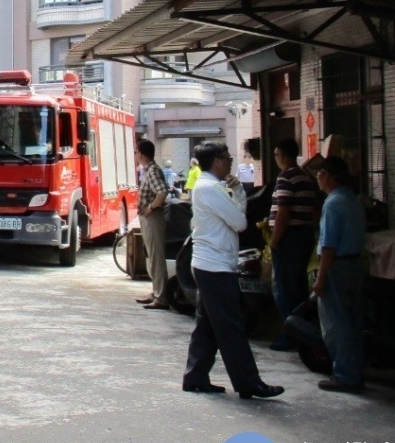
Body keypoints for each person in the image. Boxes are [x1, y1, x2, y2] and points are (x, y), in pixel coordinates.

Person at [182, 142, 284, 400]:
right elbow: (239, 223)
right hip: (214, 267)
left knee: (207, 325)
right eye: (227, 158)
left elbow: (237, 217)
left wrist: (237, 191)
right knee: (231, 326)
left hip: (211, 264)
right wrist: (236, 195)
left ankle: (195, 377)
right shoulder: (209, 188)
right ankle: (248, 382)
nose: (230, 162)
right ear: (216, 161)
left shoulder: (211, 187)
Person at [313, 155, 366, 393]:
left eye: (320, 172)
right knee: (353, 321)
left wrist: (320, 278)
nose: (317, 177)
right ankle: (354, 371)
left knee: (337, 324)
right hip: (354, 265)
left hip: (338, 266)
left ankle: (345, 374)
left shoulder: (332, 203)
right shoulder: (352, 200)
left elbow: (328, 246)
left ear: (328, 175)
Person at [266, 138, 319, 351]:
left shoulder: (286, 177)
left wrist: (275, 241)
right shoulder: (306, 177)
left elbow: (283, 213)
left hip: (289, 238)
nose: (276, 159)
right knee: (298, 287)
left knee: (285, 288)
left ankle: (291, 335)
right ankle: (301, 332)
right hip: (304, 235)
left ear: (283, 156)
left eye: (277, 155)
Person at [134, 139, 170, 310]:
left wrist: (150, 207)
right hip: (148, 218)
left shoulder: (153, 171)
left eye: (136, 152)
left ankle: (161, 297)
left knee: (156, 257)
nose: (135, 155)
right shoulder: (147, 170)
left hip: (153, 218)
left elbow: (162, 192)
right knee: (151, 255)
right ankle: (156, 291)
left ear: (141, 154)